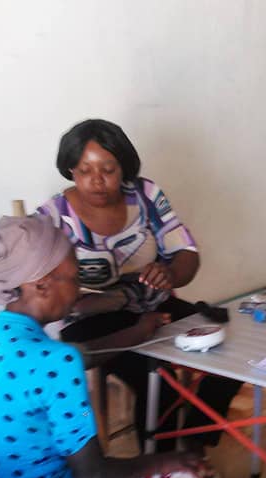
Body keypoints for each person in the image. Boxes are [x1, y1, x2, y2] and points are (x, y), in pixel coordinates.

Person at [0, 214, 266, 478]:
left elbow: (76, 356)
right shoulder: (57, 362)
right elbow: (93, 474)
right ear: (41, 285)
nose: (78, 290)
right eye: (74, 279)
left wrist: (137, 332)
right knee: (194, 473)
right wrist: (170, 459)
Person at [37, 118, 242, 451]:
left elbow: (186, 253)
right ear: (70, 170)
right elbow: (42, 289)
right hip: (89, 321)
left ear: (124, 168)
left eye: (108, 169)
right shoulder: (54, 217)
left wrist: (170, 274)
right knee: (157, 380)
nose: (97, 180)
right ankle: (161, 466)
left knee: (232, 356)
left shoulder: (145, 196)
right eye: (84, 170)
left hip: (154, 306)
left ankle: (194, 445)